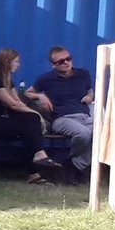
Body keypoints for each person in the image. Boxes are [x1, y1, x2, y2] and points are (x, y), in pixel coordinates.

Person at [0, 47, 60, 182]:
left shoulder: (7, 80)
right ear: (6, 62)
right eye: (16, 61)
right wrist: (37, 114)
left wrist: (32, 114)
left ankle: (36, 168)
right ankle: (36, 165)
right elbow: (12, 104)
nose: (18, 64)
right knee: (30, 124)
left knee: (29, 126)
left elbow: (17, 101)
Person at [24, 45, 93, 175]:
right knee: (83, 134)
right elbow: (26, 93)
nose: (66, 62)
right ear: (53, 64)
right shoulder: (46, 78)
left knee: (102, 135)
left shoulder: (83, 74)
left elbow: (89, 90)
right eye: (61, 62)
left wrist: (90, 96)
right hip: (62, 118)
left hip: (84, 115)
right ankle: (70, 163)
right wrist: (40, 95)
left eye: (68, 59)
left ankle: (73, 166)